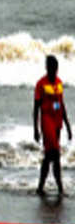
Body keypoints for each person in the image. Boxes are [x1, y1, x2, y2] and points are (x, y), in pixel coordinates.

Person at [33, 55, 72, 196]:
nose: (54, 72)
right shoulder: (40, 84)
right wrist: (36, 130)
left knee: (50, 155)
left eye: (55, 69)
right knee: (54, 153)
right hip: (46, 120)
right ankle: (60, 188)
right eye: (51, 69)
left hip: (57, 121)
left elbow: (61, 104)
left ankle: (40, 187)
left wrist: (67, 125)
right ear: (47, 68)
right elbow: (36, 107)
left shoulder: (59, 83)